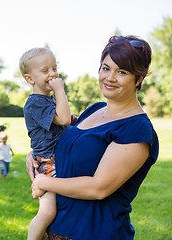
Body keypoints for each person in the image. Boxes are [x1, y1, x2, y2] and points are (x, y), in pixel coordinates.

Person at [28, 35, 159, 240]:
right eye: (105, 68)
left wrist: (44, 183)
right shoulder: (94, 110)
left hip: (93, 233)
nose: (110, 77)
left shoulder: (136, 129)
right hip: (55, 229)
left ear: (139, 79)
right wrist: (34, 156)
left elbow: (98, 188)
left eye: (122, 72)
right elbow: (66, 146)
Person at [19, 47, 71, 240]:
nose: (52, 74)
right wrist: (60, 90)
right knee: (47, 212)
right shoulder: (35, 103)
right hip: (47, 162)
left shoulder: (46, 101)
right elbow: (63, 119)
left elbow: (66, 121)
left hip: (57, 160)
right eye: (45, 70)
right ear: (29, 79)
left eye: (54, 68)